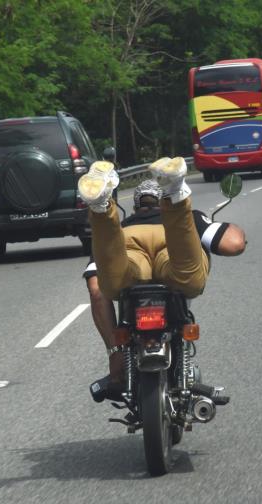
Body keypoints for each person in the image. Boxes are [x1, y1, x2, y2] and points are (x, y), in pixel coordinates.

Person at [79, 158, 246, 401]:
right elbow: (233, 244)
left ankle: (101, 209)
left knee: (116, 281)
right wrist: (232, 230)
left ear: (136, 207)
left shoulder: (121, 229)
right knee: (186, 274)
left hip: (130, 246)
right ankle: (176, 194)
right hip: (172, 243)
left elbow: (97, 291)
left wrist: (115, 351)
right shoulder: (194, 220)